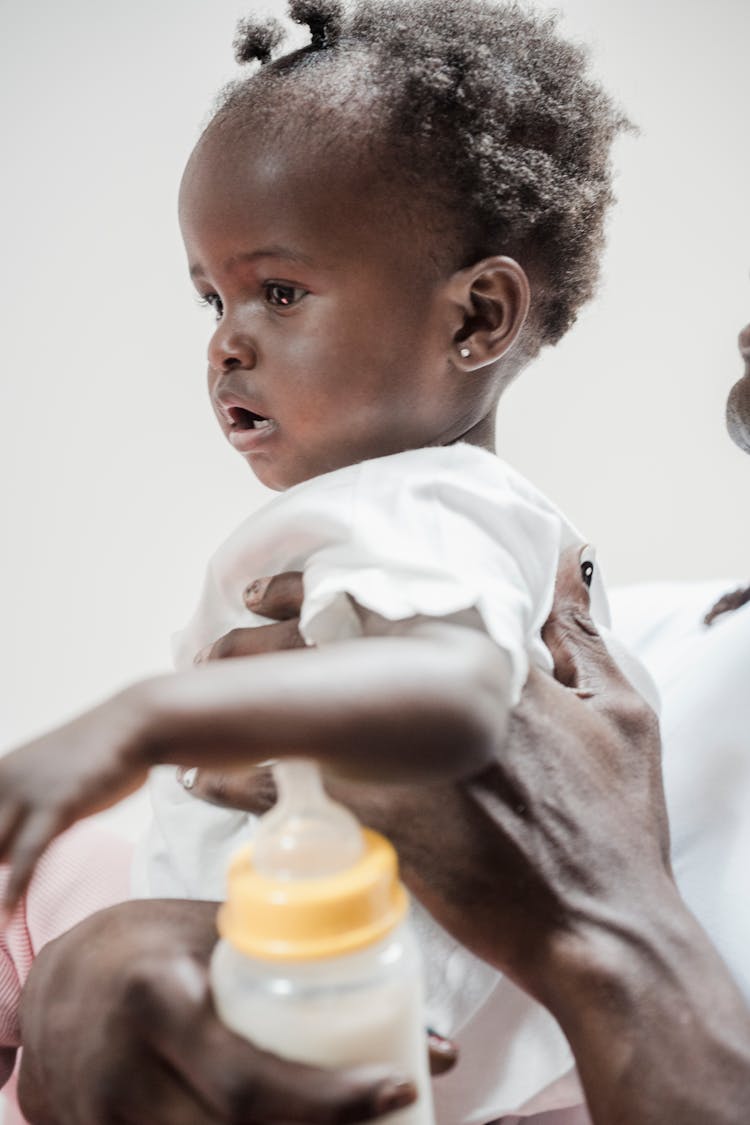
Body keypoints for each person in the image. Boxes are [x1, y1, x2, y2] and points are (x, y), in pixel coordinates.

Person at [0, 4, 654, 1120]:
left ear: (478, 317)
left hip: (321, 1033)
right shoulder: (405, 509)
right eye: (212, 296)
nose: (226, 341)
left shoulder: (428, 503)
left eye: (280, 291)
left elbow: (458, 698)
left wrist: (138, 721)